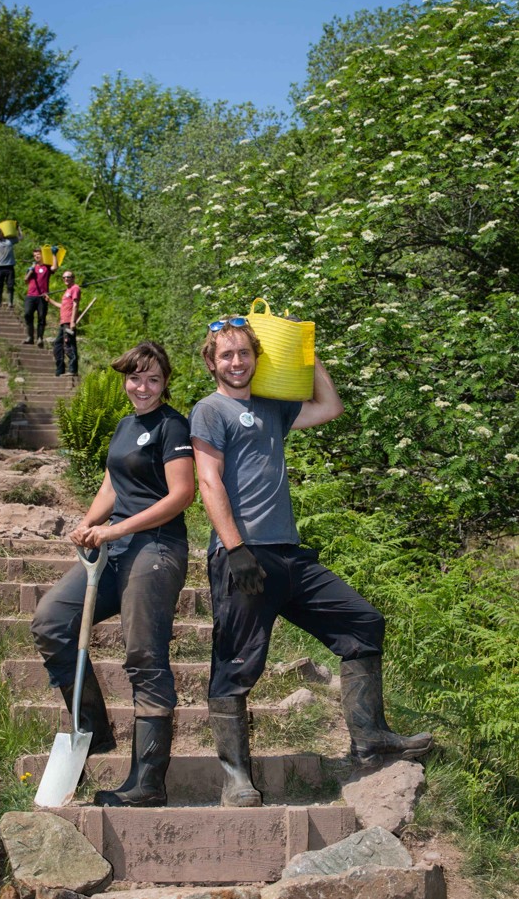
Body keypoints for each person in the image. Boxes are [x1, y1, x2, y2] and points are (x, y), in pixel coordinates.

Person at [189, 315, 433, 807]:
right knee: (236, 664)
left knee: (362, 622)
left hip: (289, 555)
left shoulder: (271, 409)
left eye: (245, 353)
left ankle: (370, 738)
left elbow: (329, 406)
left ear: (257, 357)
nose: (237, 362)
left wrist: (306, 353)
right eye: (227, 355)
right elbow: (209, 481)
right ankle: (236, 778)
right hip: (243, 557)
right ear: (212, 363)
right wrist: (234, 548)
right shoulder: (209, 411)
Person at [31, 341, 195, 807]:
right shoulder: (125, 426)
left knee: (143, 652)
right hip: (114, 549)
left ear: (165, 383)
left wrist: (117, 528)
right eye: (135, 378)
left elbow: (182, 494)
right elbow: (112, 483)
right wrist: (88, 523)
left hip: (156, 549)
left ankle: (148, 782)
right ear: (125, 378)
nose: (142, 387)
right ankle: (94, 731)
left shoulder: (173, 426)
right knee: (50, 621)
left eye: (153, 379)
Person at [46, 270, 81, 376]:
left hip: (69, 322)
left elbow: (75, 305)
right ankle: (60, 369)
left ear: (73, 278)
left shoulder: (75, 288)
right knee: (58, 346)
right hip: (63, 322)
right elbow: (63, 306)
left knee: (69, 345)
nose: (66, 279)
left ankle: (72, 370)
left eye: (68, 277)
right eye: (64, 277)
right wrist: (49, 300)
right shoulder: (67, 291)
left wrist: (72, 321)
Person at [24, 246, 59, 346]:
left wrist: (54, 255)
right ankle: (30, 336)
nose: (36, 257)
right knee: (27, 314)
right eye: (34, 255)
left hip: (42, 296)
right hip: (30, 295)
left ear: (42, 255)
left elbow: (55, 268)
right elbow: (26, 280)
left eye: (38, 254)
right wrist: (31, 270)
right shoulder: (32, 268)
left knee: (41, 317)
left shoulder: (46, 267)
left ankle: (40, 338)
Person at [0, 223, 23, 308]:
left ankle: (10, 303)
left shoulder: (10, 241)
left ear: (2, 232)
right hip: (0, 267)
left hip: (10, 267)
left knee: (10, 285)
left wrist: (18, 228)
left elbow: (21, 237)